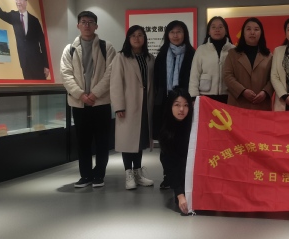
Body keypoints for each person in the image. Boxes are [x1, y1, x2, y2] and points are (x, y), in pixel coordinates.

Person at [61, 11, 116, 188]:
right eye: (83, 22)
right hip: (79, 104)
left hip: (101, 103)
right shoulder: (69, 49)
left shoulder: (107, 47)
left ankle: (99, 174)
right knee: (82, 141)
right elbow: (66, 74)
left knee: (102, 141)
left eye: (90, 22)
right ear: (78, 25)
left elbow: (111, 73)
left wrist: (94, 94)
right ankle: (85, 176)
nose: (87, 25)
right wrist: (81, 95)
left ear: (96, 26)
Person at [110, 25, 155, 190]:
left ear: (144, 38)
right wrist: (119, 106)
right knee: (127, 141)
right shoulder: (121, 57)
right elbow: (115, 83)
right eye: (133, 35)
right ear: (128, 39)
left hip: (145, 105)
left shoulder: (150, 58)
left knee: (140, 140)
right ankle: (128, 173)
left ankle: (138, 173)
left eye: (140, 35)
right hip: (128, 105)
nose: (137, 38)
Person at [153, 20, 195, 189]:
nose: (176, 35)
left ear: (185, 34)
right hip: (165, 104)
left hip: (186, 104)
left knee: (185, 140)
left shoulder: (192, 54)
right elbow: (157, 82)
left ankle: (184, 174)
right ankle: (168, 175)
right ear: (167, 35)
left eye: (179, 32)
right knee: (166, 141)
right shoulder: (162, 55)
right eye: (172, 32)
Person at [0, 0, 49, 80]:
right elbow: (0, 13)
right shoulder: (14, 16)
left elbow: (42, 43)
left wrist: (46, 65)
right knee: (28, 88)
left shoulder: (34, 20)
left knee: (40, 87)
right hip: (24, 62)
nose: (18, 2)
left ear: (25, 2)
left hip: (38, 62)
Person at [223, 17, 273, 110]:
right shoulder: (232, 54)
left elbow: (273, 77)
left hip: (261, 104)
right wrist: (243, 91)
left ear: (261, 33)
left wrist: (265, 92)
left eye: (256, 29)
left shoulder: (269, 56)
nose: (252, 32)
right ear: (243, 32)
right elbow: (227, 75)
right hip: (238, 103)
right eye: (248, 29)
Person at [159, 88, 194, 215]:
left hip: (195, 173)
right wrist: (180, 194)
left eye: (186, 105)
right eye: (177, 105)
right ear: (170, 106)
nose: (181, 109)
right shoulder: (166, 132)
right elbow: (169, 165)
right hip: (179, 174)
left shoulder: (194, 125)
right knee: (186, 205)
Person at [189, 16, 234, 103]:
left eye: (220, 27)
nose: (217, 30)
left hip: (228, 96)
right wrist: (193, 97)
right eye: (213, 27)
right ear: (209, 31)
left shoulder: (233, 50)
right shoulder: (201, 50)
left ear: (226, 31)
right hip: (205, 97)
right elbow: (194, 75)